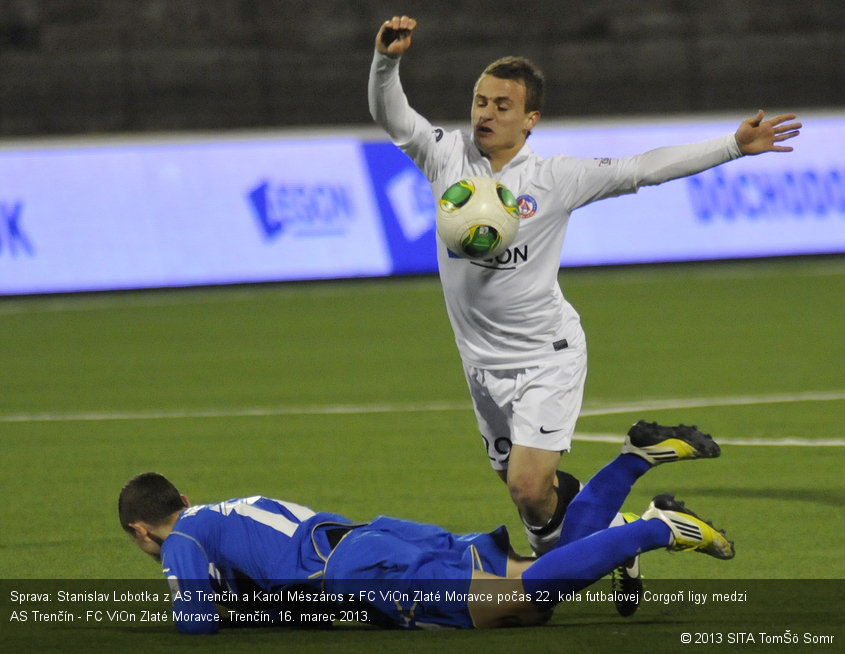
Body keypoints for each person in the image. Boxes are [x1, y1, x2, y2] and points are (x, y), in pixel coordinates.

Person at [368, 14, 800, 611]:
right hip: (482, 371)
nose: (485, 114)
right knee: (538, 510)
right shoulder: (449, 160)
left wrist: (732, 145)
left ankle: (639, 472)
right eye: (479, 102)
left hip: (547, 358)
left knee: (526, 487)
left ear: (530, 119)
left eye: (500, 105)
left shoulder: (555, 178)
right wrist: (387, 61)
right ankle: (627, 531)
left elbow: (641, 169)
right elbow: (394, 117)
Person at [119, 420, 733, 634]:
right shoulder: (225, 514)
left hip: (364, 573)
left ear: (143, 531)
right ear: (186, 494)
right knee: (534, 586)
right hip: (372, 544)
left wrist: (224, 607)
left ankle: (658, 529)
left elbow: (196, 621)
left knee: (533, 595)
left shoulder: (185, 537)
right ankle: (634, 458)